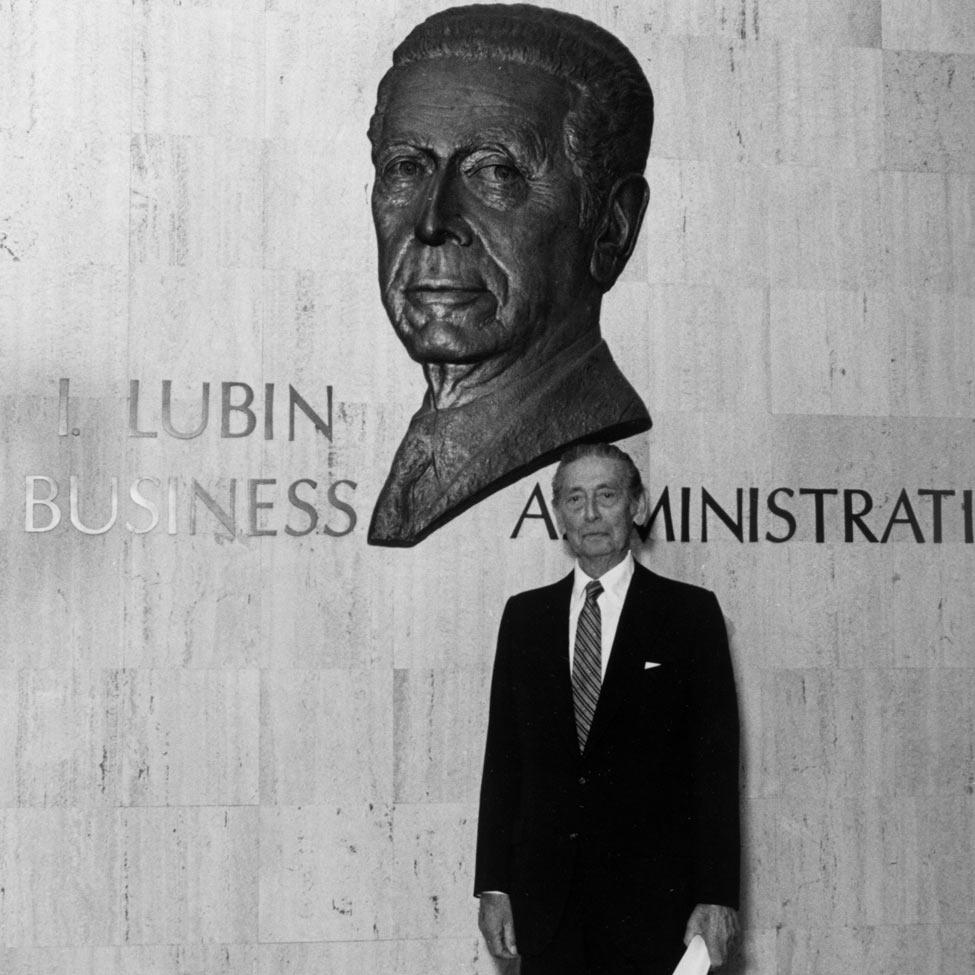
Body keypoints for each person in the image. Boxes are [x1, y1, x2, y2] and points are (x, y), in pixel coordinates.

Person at [366, 4, 652, 546]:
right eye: (406, 168)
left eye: (496, 173)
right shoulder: (427, 445)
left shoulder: (583, 423)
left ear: (611, 229)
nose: (431, 222)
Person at [475, 443, 741, 975]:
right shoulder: (525, 618)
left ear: (636, 507)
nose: (591, 514)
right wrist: (494, 885)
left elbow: (714, 768)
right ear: (559, 517)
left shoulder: (689, 614)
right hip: (546, 910)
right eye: (575, 499)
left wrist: (717, 896)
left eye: (607, 495)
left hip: (655, 912)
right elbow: (503, 761)